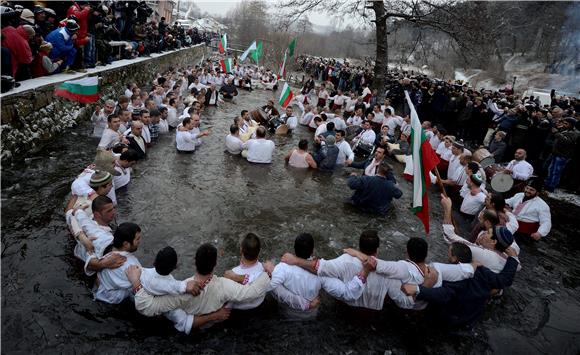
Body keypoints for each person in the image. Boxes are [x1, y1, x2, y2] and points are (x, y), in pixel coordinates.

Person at [129, 243, 271, 326]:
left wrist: (136, 283)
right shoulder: (224, 286)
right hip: (215, 325)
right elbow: (252, 293)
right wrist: (268, 272)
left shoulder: (180, 290)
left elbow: (147, 307)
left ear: (194, 261)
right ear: (215, 264)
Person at [281, 231, 415, 310]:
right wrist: (418, 293)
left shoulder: (345, 260)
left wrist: (296, 261)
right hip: (371, 315)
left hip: (346, 309)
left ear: (359, 246)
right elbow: (402, 302)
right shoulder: (392, 271)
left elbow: (321, 269)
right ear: (377, 249)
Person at [401, 243, 519, 329]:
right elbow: (504, 280)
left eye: (449, 254)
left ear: (454, 258)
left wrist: (418, 289)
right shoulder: (482, 270)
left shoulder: (452, 278)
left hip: (452, 320)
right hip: (472, 319)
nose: (448, 257)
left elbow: (443, 294)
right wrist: (513, 258)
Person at [265, 233, 371, 319]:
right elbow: (347, 293)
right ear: (312, 250)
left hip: (286, 313)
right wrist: (365, 271)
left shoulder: (283, 267)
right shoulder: (321, 274)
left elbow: (269, 287)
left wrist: (272, 271)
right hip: (310, 315)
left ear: (294, 249)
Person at [440, 195, 520, 273]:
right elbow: (518, 266)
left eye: (488, 233)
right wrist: (514, 256)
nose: (484, 234)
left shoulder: (484, 254)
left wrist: (447, 209)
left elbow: (450, 236)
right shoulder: (509, 259)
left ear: (494, 242)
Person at [138, 246, 205, 334]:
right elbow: (176, 286)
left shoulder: (142, 272)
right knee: (184, 318)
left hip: (144, 302)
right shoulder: (172, 286)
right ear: (175, 267)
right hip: (160, 309)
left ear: (154, 262)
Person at [66, 196, 126, 276]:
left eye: (113, 208)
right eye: (109, 211)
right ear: (97, 214)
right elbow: (69, 214)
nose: (113, 212)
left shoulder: (87, 221)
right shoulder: (95, 235)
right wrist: (81, 236)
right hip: (79, 264)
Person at [94, 222, 143, 304]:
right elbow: (142, 286)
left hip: (100, 290)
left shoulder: (108, 253)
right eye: (137, 239)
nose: (140, 241)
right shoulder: (131, 265)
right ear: (126, 244)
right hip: (112, 301)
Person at [544, 117, 579, 192]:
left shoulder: (576, 133)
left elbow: (567, 141)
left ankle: (551, 186)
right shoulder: (564, 130)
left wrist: (556, 133)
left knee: (556, 172)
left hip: (562, 155)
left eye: (566, 123)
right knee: (550, 169)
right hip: (555, 153)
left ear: (571, 124)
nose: (564, 125)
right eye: (564, 123)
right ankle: (547, 183)